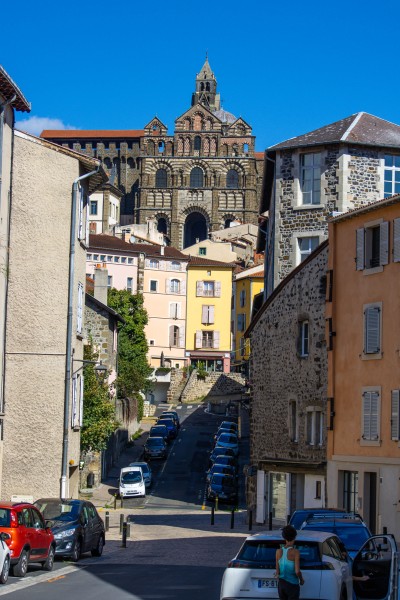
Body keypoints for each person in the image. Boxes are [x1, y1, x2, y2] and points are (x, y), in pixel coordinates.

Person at [275, 525, 304, 600]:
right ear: (294, 537)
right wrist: (301, 580)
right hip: (292, 585)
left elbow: (277, 572)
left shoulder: (278, 551)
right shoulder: (295, 552)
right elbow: (297, 571)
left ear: (284, 537)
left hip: (281, 584)